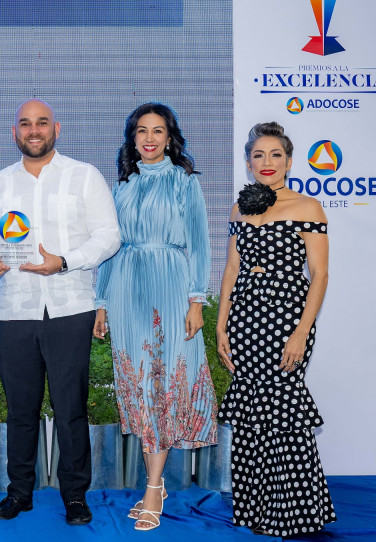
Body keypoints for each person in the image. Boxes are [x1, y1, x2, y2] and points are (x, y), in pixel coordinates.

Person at [0, 99, 120, 525]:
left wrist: (65, 261)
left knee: (70, 408)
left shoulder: (84, 176)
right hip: (15, 310)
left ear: (57, 128)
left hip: (70, 307)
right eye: (25, 124)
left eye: (41, 123)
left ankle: (75, 496)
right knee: (20, 410)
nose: (33, 130)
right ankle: (19, 493)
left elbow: (109, 236)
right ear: (14, 132)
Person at [94, 103, 217, 531]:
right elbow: (109, 248)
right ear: (132, 138)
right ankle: (155, 484)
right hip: (126, 290)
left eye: (158, 131)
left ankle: (151, 488)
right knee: (141, 386)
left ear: (169, 137)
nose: (149, 138)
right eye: (142, 131)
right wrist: (102, 302)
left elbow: (199, 243)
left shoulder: (184, 182)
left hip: (171, 286)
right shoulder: (121, 186)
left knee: (163, 385)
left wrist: (196, 300)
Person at [216, 122, 336, 537]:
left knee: (284, 408)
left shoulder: (308, 207)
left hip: (287, 319)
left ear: (289, 161)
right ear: (248, 162)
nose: (267, 162)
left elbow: (319, 275)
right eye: (258, 155)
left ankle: (295, 512)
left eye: (275, 155)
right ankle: (256, 510)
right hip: (245, 320)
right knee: (252, 412)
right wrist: (221, 326)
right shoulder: (239, 208)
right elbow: (231, 270)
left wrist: (302, 332)